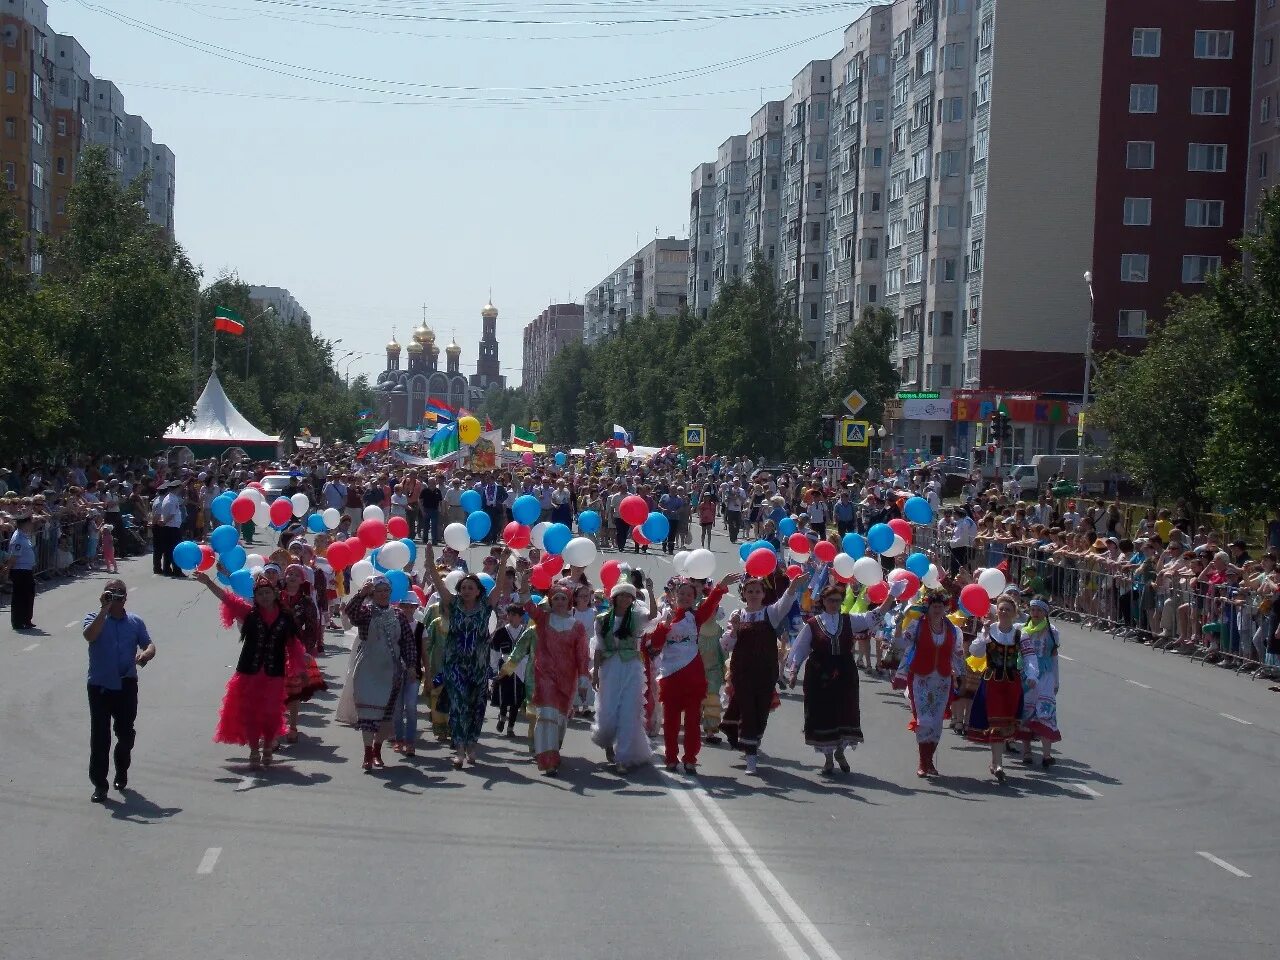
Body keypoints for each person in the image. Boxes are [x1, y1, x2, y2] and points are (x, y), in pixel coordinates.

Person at [195, 569, 306, 770]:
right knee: (251, 712)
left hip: (274, 673)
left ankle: (268, 748)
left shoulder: (285, 618)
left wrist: (298, 667)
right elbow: (227, 599)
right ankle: (254, 749)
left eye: (268, 593)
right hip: (249, 673)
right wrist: (207, 583)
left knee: (272, 712)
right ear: (255, 597)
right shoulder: (250, 614)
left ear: (274, 594)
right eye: (260, 594)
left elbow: (294, 646)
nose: (264, 597)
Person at [787, 579, 897, 776]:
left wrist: (891, 595)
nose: (835, 604)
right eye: (831, 600)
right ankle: (828, 759)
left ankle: (839, 752)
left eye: (838, 600)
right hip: (820, 675)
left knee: (845, 712)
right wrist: (794, 671)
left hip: (845, 673)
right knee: (824, 714)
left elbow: (874, 616)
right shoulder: (813, 624)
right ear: (823, 601)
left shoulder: (848, 620)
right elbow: (801, 648)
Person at [423, 543, 512, 768]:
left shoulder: (485, 606)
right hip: (455, 664)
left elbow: (500, 586)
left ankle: (472, 745)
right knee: (458, 705)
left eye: (471, 588)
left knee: (476, 706)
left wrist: (503, 562)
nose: (466, 591)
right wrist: (430, 559)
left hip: (478, 665)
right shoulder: (452, 604)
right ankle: (460, 749)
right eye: (463, 587)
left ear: (478, 591)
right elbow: (438, 583)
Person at [646, 572, 738, 773]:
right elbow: (656, 645)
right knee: (670, 722)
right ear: (674, 595)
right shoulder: (665, 618)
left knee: (692, 721)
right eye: (682, 594)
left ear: (695, 597)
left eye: (690, 594)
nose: (686, 597)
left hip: (693, 677)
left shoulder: (695, 618)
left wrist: (721, 586)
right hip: (671, 678)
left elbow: (711, 603)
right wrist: (666, 625)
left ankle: (690, 758)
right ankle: (671, 758)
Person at [720, 569, 807, 775]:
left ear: (763, 593)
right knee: (749, 711)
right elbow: (727, 645)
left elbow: (785, 602)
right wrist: (734, 629)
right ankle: (751, 757)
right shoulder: (737, 615)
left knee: (761, 714)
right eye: (750, 591)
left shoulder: (771, 613)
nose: (753, 594)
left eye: (757, 591)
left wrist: (793, 586)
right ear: (744, 594)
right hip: (742, 672)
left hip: (765, 673)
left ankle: (751, 741)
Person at [503, 578, 591, 776]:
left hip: (567, 680)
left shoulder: (577, 627)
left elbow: (582, 655)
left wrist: (584, 679)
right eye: (556, 598)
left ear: (569, 602)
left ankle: (554, 749)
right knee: (546, 716)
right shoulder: (543, 620)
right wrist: (524, 583)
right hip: (544, 677)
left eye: (563, 598)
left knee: (559, 719)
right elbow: (527, 605)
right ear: (551, 601)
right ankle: (547, 759)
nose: (559, 601)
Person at [83, 580, 155, 802]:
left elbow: (149, 645)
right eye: (110, 594)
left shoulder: (134, 622)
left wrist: (145, 655)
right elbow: (89, 636)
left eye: (119, 594)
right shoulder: (93, 618)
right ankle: (100, 785)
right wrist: (103, 610)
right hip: (100, 686)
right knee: (100, 737)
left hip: (126, 685)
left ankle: (121, 769)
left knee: (125, 734)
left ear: (125, 598)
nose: (115, 598)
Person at [337, 575, 415, 770]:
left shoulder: (398, 615)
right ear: (373, 593)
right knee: (367, 713)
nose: (382, 594)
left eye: (385, 591)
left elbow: (407, 642)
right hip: (367, 668)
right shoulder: (365, 612)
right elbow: (351, 614)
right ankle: (367, 753)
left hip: (391, 670)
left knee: (385, 715)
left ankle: (378, 750)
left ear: (390, 592)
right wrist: (361, 594)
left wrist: (412, 665)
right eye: (378, 591)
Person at [966, 594, 1038, 781]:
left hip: (1012, 683)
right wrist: (983, 636)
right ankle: (998, 763)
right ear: (996, 611)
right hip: (992, 683)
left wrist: (1031, 675)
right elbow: (975, 651)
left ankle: (994, 761)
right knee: (995, 723)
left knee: (1007, 723)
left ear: (1014, 613)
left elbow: (1030, 656)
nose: (1004, 612)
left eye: (1008, 609)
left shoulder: (1020, 633)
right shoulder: (990, 631)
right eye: (1001, 609)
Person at [893, 590, 964, 777]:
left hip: (942, 679)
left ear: (945, 608)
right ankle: (923, 763)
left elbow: (956, 654)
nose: (937, 610)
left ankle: (929, 761)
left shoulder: (953, 629)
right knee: (924, 720)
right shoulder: (917, 626)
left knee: (937, 722)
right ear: (928, 608)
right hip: (921, 678)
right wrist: (898, 627)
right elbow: (901, 644)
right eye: (934, 607)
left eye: (940, 607)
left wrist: (960, 671)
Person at [591, 580, 655, 773]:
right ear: (615, 598)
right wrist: (595, 674)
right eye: (623, 595)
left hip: (631, 667)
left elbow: (652, 615)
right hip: (610, 667)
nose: (626, 599)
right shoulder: (602, 619)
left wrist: (650, 592)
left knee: (629, 711)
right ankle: (608, 742)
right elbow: (599, 648)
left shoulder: (635, 617)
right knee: (609, 710)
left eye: (630, 596)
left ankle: (623, 757)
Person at [1018, 598, 1062, 767]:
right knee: (1026, 712)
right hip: (1027, 675)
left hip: (1045, 676)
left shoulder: (1052, 631)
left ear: (1045, 612)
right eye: (1033, 610)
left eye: (1039, 610)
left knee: (1045, 711)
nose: (1035, 613)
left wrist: (1056, 681)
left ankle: (1046, 754)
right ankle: (1027, 751)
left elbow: (1054, 657)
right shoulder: (1023, 630)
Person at [490, 604, 530, 737]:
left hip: (521, 666)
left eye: (514, 615)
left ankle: (511, 727)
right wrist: (495, 668)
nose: (511, 618)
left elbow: (530, 651)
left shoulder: (526, 632)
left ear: (520, 617)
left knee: (517, 698)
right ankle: (502, 717)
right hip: (505, 666)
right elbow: (495, 651)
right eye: (509, 615)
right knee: (504, 695)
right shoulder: (501, 632)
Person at [6, 513, 37, 630]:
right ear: (25, 524)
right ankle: (18, 622)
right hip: (19, 571)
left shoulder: (24, 536)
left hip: (26, 570)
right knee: (19, 597)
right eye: (30, 523)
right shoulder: (18, 537)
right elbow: (13, 557)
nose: (31, 525)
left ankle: (26, 619)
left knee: (28, 595)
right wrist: (7, 571)